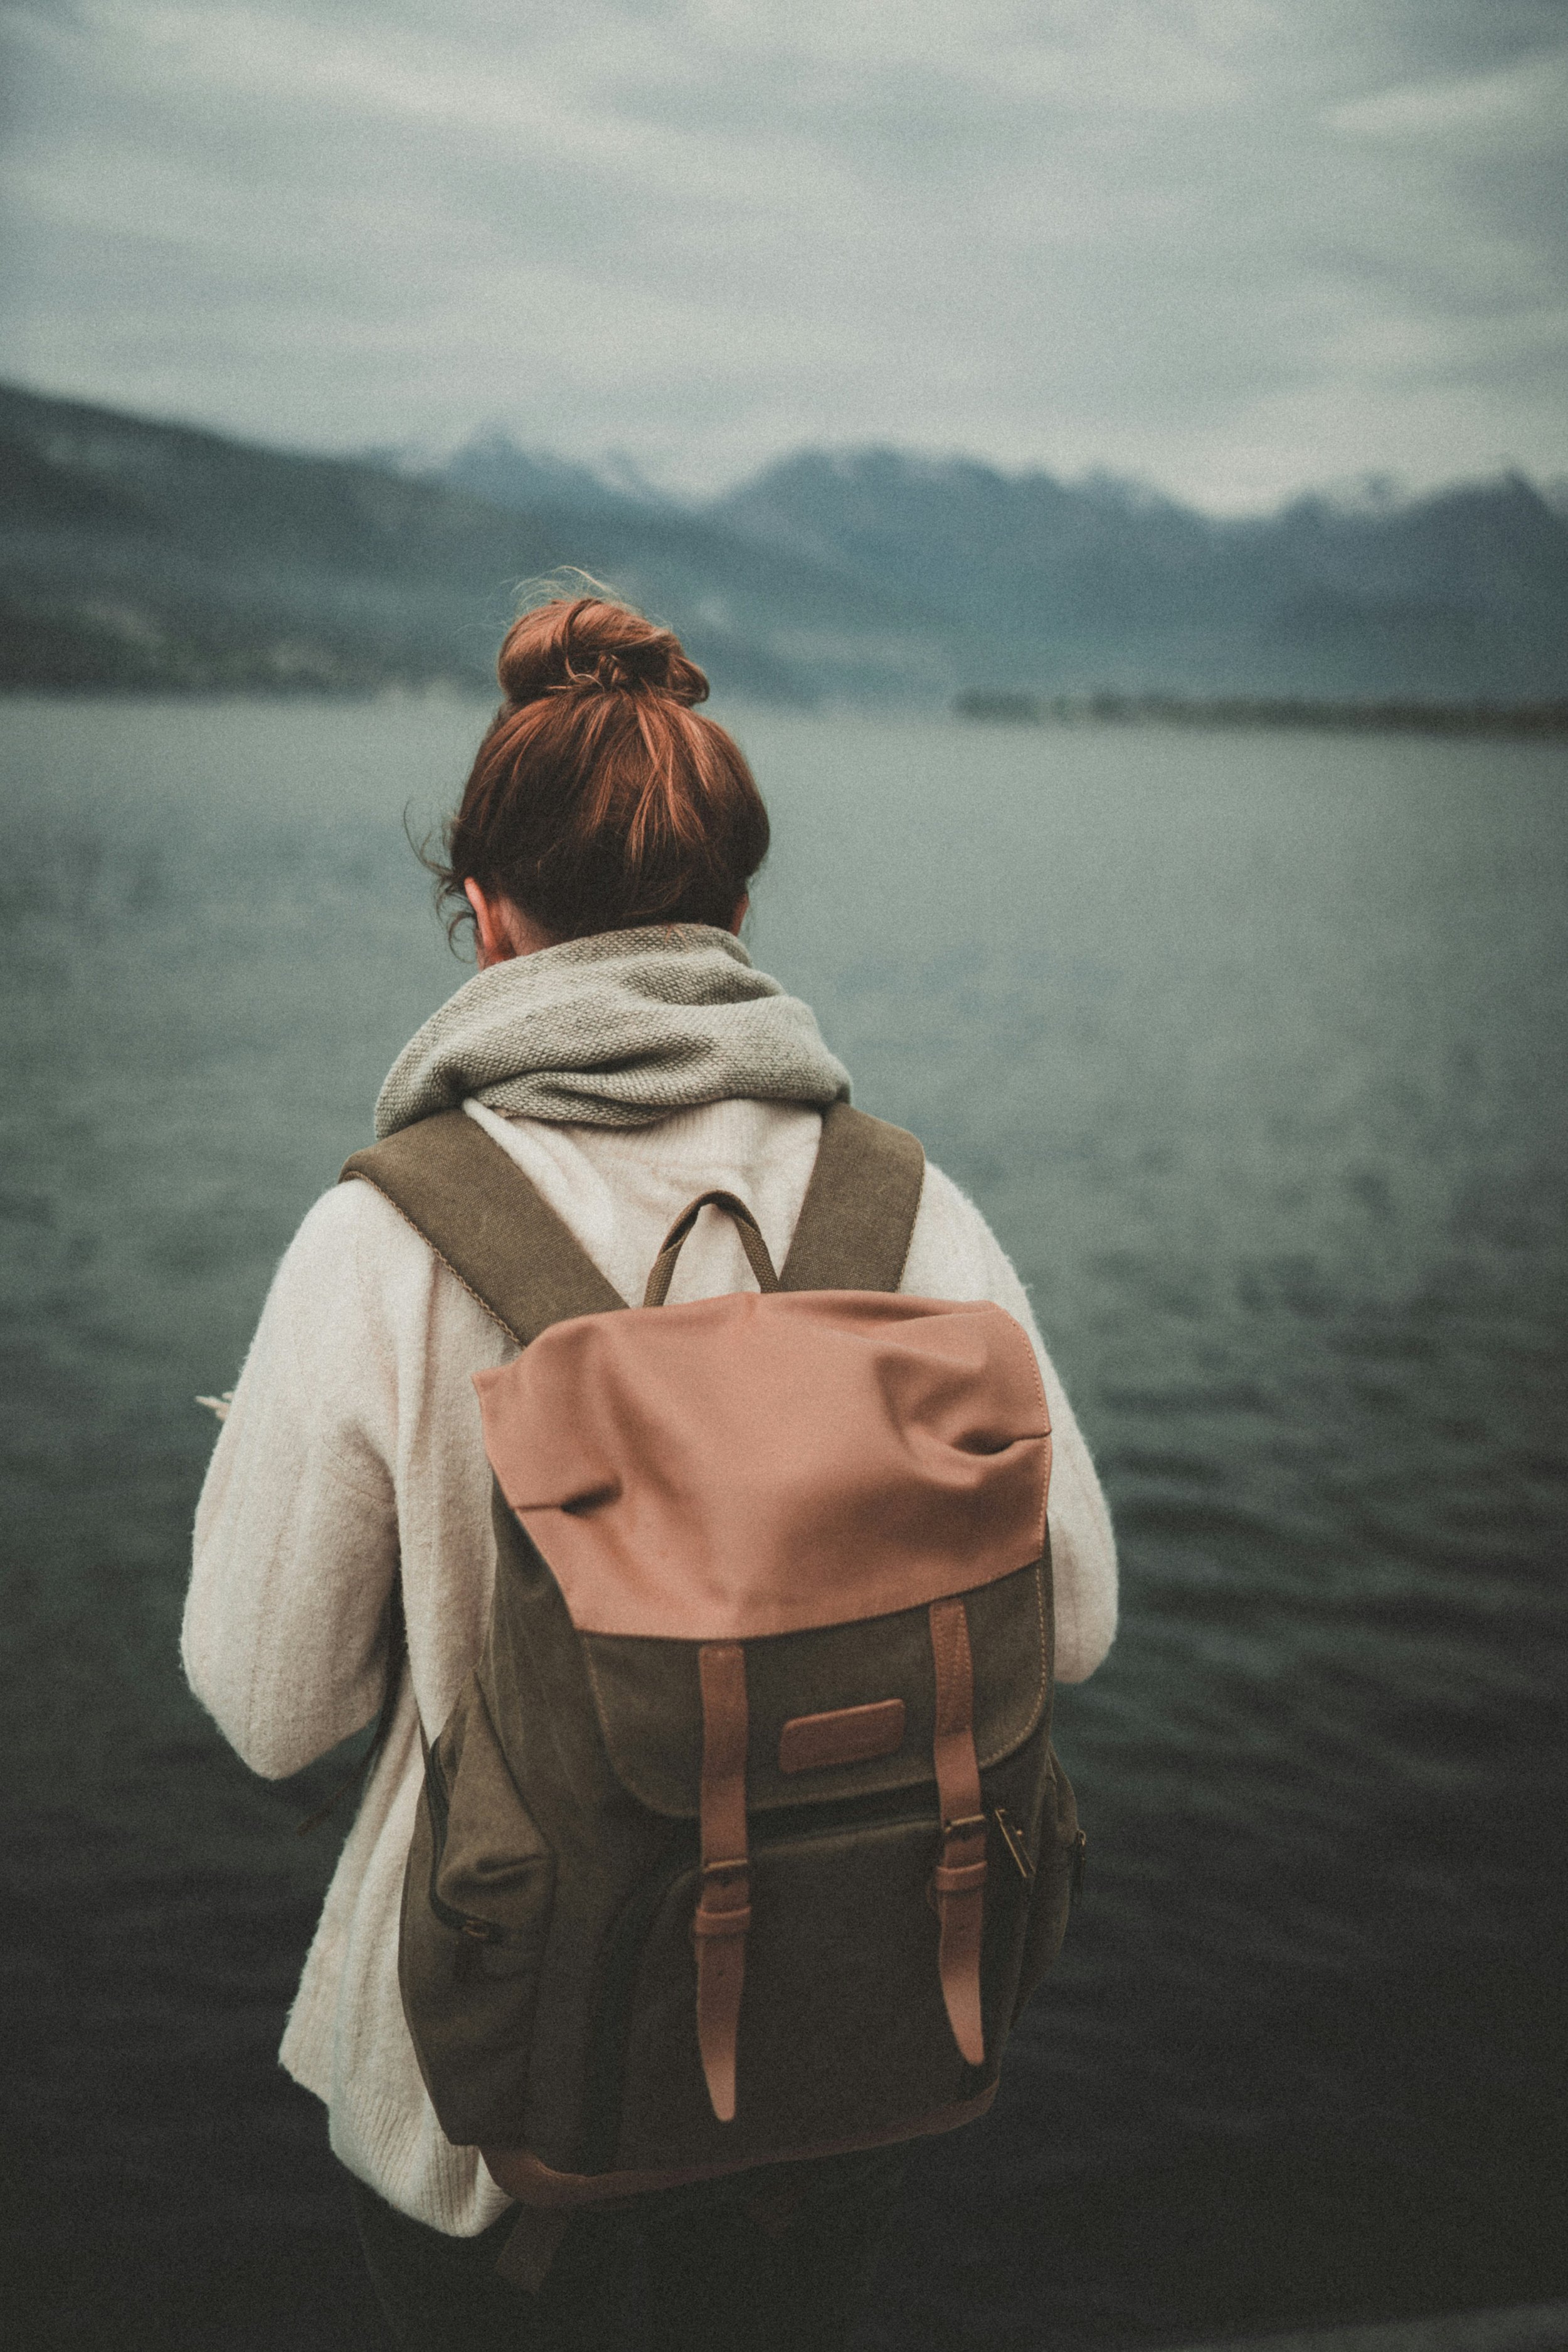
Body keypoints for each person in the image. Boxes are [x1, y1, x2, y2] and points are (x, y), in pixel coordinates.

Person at [182, 594, 1118, 2351]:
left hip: (488, 2111)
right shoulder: (908, 1206)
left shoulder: (383, 1241)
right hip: (838, 2060)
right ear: (736, 917)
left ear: (481, 916)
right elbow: (1070, 1626)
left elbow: (272, 1708)